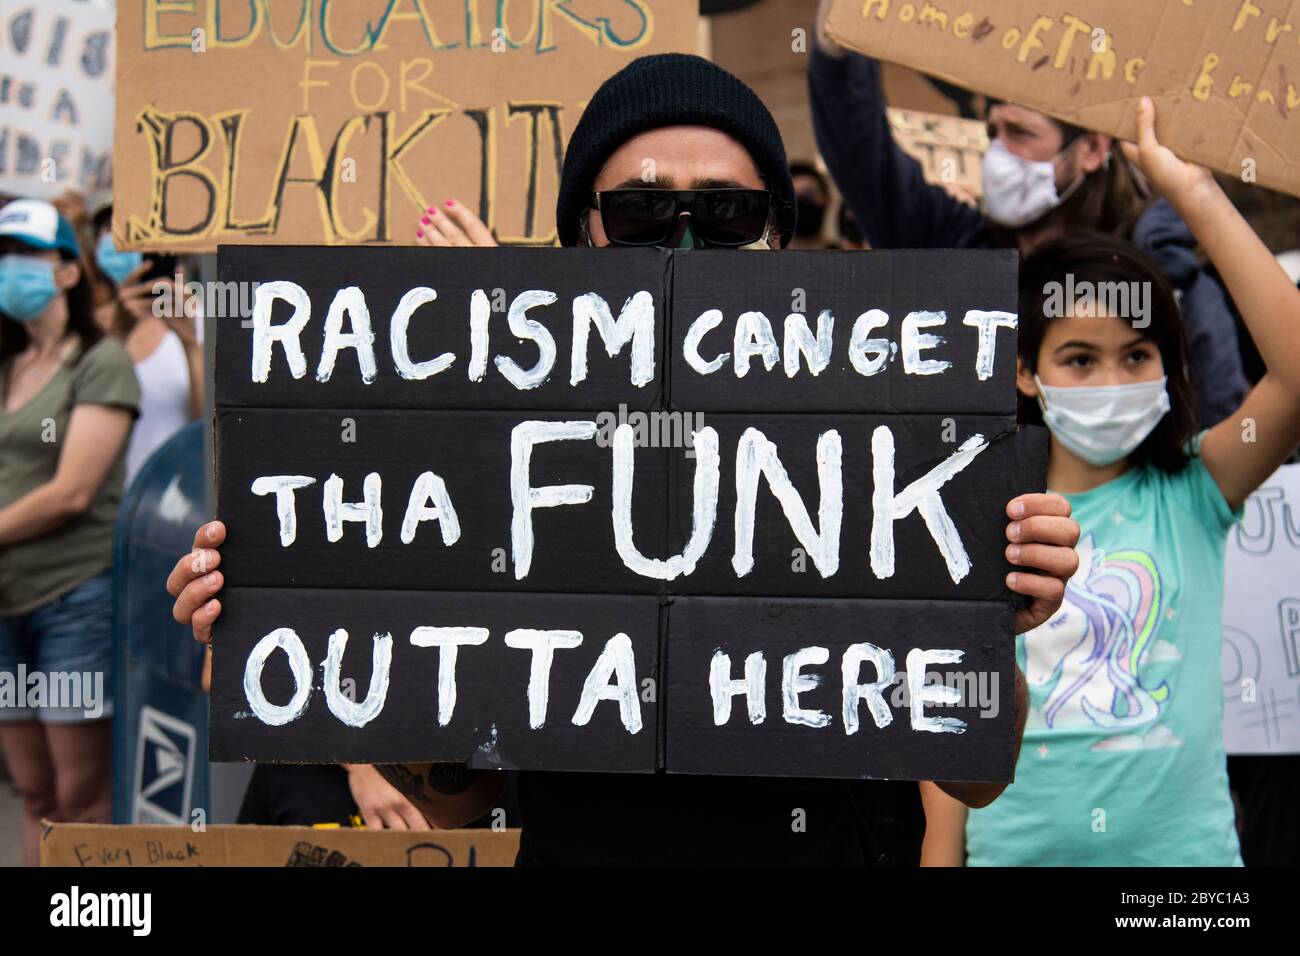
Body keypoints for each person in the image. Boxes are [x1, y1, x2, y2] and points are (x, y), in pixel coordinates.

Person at [170, 53, 1081, 866]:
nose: (685, 240)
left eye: (727, 212)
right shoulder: (502, 459)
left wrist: (988, 627)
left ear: (777, 236)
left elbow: (977, 781)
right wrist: (288, 621)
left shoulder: (884, 437)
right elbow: (456, 802)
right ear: (580, 238)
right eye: (642, 211)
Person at [920, 97, 1300, 866]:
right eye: (1079, 359)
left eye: (1136, 355)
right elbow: (947, 750)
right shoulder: (970, 521)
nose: (1110, 379)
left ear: (1171, 364)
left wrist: (1194, 192)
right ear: (1025, 373)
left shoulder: (1195, 491)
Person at [808, 0, 1248, 429]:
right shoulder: (957, 242)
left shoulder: (1155, 272)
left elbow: (1220, 421)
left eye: (1019, 133)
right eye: (993, 133)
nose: (999, 154)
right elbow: (864, 159)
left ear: (1091, 149)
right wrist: (839, 49)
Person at [0, 198, 140, 865]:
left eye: (26, 255)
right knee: (35, 794)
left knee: (82, 798)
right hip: (7, 609)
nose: (10, 269)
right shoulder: (9, 366)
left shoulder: (102, 361)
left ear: (66, 272)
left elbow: (72, 491)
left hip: (73, 606)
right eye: (2, 257)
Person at [89, 209, 203, 487]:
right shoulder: (88, 326)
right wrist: (115, 336)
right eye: (112, 229)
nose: (126, 242)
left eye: (139, 230)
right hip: (100, 510)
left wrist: (191, 345)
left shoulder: (205, 320)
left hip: (173, 505)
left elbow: (208, 429)